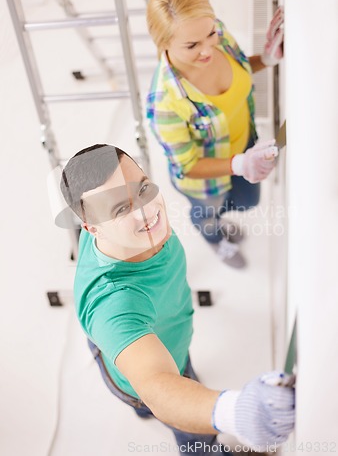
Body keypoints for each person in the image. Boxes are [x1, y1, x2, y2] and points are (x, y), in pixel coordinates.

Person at [59, 143, 295, 456]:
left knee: (181, 372)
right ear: (91, 229)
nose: (145, 210)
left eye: (142, 188)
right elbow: (158, 385)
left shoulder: (124, 230)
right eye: (120, 209)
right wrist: (233, 410)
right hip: (140, 364)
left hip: (170, 341)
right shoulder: (114, 305)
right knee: (193, 436)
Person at [146, 0, 284, 268]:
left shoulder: (212, 31)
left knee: (247, 202)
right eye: (192, 45)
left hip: (242, 146)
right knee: (206, 214)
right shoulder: (165, 103)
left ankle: (219, 219)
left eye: (210, 34)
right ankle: (215, 239)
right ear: (164, 44)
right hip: (205, 181)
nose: (208, 48)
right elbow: (187, 165)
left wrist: (267, 60)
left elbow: (240, 67)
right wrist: (238, 164)